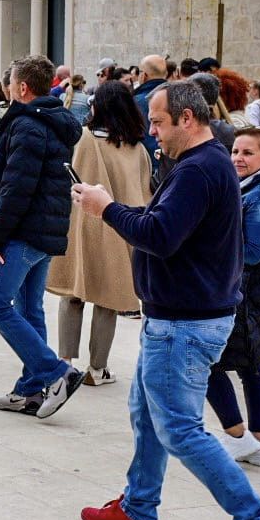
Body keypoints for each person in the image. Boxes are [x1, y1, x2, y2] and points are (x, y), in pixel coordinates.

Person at [74, 81, 260, 520]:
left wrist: (105, 207)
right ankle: (138, 508)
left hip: (184, 322)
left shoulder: (200, 168)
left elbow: (158, 235)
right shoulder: (202, 162)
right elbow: (164, 225)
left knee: (178, 427)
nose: (152, 131)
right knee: (147, 412)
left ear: (186, 118)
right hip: (179, 314)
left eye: (157, 122)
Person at [0, 54, 84, 417]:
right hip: (40, 230)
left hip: (21, 232)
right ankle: (31, 389)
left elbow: (15, 187)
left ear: (21, 88)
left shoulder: (27, 125)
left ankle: (55, 373)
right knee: (29, 307)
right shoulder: (46, 121)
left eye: (10, 85)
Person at [45, 80, 151, 386]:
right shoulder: (137, 146)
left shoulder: (86, 139)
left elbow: (73, 184)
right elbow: (143, 192)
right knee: (108, 298)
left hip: (85, 225)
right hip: (121, 226)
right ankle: (96, 368)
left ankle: (65, 362)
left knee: (74, 293)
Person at [205, 128, 260, 467]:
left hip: (255, 289)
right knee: (248, 365)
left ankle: (242, 437)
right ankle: (257, 443)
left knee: (216, 362)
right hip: (248, 287)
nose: (238, 157)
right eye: (235, 150)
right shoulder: (246, 188)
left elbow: (252, 252)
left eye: (247, 153)